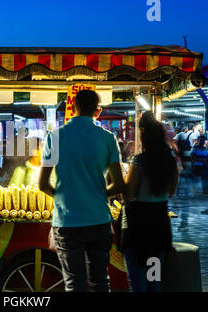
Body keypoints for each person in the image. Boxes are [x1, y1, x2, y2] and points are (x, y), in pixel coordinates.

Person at [38, 90, 125, 292]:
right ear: (98, 111)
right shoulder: (107, 138)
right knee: (100, 281)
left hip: (67, 222)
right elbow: (119, 184)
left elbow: (43, 183)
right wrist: (98, 195)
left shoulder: (56, 137)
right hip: (99, 220)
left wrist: (64, 197)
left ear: (72, 108)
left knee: (74, 283)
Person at [120, 111, 178, 292]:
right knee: (154, 280)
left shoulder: (139, 161)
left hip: (138, 226)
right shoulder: (170, 161)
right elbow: (171, 192)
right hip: (159, 225)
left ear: (144, 137)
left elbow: (127, 196)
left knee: (138, 282)